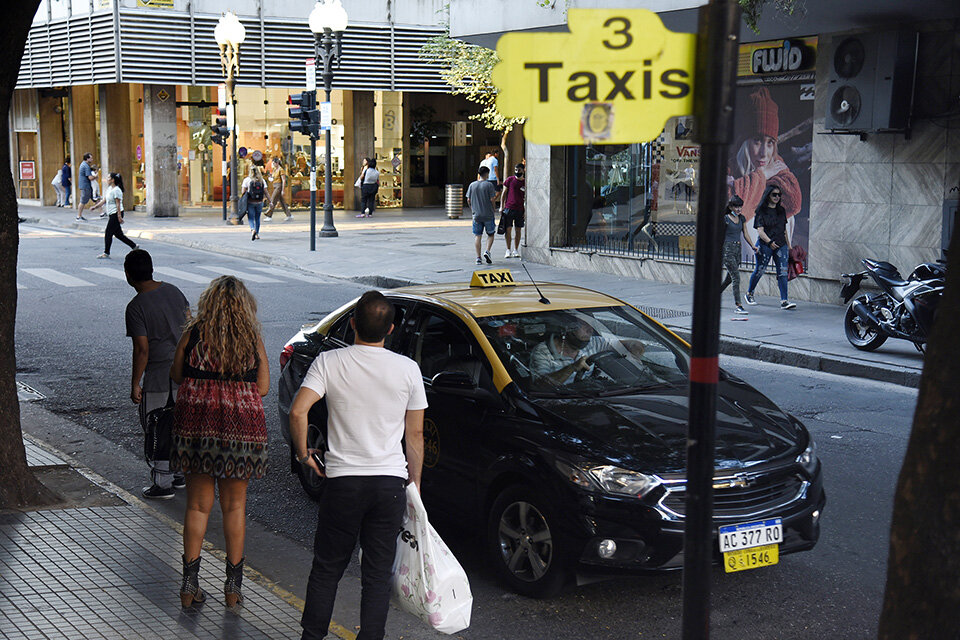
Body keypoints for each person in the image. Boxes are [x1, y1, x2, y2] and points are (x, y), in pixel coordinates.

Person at [290, 291, 426, 640]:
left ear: (352, 324)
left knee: (327, 568)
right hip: (388, 486)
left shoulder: (329, 362)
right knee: (377, 575)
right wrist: (415, 485)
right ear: (391, 329)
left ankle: (312, 636)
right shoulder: (408, 370)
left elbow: (298, 410)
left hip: (343, 483)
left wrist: (305, 454)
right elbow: (415, 435)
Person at [170, 275, 270, 609]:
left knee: (197, 505)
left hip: (196, 425)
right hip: (240, 428)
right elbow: (265, 387)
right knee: (234, 506)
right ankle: (232, 588)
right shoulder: (250, 337)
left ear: (208, 302)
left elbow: (177, 375)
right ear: (245, 305)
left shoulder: (194, 332)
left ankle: (188, 585)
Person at [123, 249, 190, 500]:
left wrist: (135, 384)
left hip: (159, 375)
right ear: (151, 269)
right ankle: (181, 473)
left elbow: (142, 349)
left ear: (128, 275)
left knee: (158, 426)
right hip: (185, 371)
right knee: (181, 423)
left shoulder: (136, 307)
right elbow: (190, 325)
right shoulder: (173, 290)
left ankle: (163, 483)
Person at [728, 87, 802, 252]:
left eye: (770, 143)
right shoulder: (729, 170)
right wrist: (762, 175)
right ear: (745, 143)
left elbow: (794, 203)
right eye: (757, 140)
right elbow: (739, 212)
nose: (764, 153)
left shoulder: (777, 168)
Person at [530, 314, 644, 386]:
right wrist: (572, 368)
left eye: (591, 326)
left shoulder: (594, 342)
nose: (590, 330)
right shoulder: (543, 352)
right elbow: (541, 385)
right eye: (584, 325)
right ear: (568, 328)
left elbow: (629, 345)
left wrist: (634, 349)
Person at [745, 185, 797, 310]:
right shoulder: (761, 211)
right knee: (760, 269)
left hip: (781, 244)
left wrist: (789, 246)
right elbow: (760, 231)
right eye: (774, 194)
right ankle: (749, 293)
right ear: (768, 195)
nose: (777, 197)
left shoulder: (781, 211)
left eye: (779, 195)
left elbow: (784, 230)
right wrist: (769, 242)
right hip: (765, 244)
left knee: (783, 272)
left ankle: (784, 300)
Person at [719, 195, 758, 315]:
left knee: (729, 278)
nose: (738, 209)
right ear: (730, 207)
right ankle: (738, 305)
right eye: (736, 206)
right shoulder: (725, 218)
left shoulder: (742, 219)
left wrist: (752, 245)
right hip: (727, 249)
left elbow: (745, 233)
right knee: (736, 277)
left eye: (740, 206)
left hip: (737, 249)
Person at [91, 172, 137, 259]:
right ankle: (134, 246)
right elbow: (104, 200)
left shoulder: (117, 190)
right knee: (118, 234)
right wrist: (95, 207)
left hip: (116, 213)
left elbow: (118, 204)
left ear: (113, 180)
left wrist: (119, 216)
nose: (107, 179)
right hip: (112, 213)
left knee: (108, 232)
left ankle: (106, 252)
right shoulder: (109, 189)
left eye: (108, 178)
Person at [467, 165, 498, 265]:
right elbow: (492, 199)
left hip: (476, 215)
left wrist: (472, 209)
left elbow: (468, 199)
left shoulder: (472, 185)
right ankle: (487, 251)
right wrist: (493, 208)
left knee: (477, 235)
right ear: (487, 174)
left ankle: (478, 257)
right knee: (491, 234)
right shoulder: (489, 185)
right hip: (488, 214)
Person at [499, 162, 526, 259]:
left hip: (520, 209)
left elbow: (527, 197)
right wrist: (502, 206)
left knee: (518, 230)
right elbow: (504, 193)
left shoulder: (525, 182)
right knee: (508, 229)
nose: (517, 172)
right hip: (509, 208)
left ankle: (516, 249)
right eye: (516, 170)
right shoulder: (510, 180)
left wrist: (526, 211)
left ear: (523, 170)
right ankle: (508, 249)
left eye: (519, 170)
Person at [264, 156, 293, 221]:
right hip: (275, 185)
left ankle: (269, 214)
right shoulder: (274, 169)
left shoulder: (281, 170)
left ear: (277, 163)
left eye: (274, 163)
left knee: (273, 199)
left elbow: (283, 180)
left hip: (279, 186)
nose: (273, 165)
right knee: (282, 202)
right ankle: (289, 215)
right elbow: (274, 177)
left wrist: (283, 190)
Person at [242, 166, 267, 241]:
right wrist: (270, 201)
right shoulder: (262, 180)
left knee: (250, 217)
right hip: (259, 202)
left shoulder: (247, 180)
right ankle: (257, 234)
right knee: (257, 218)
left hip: (250, 202)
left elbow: (243, 192)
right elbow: (266, 192)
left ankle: (253, 229)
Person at [76, 152, 96, 221]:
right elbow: (90, 177)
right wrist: (96, 176)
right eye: (91, 158)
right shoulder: (86, 166)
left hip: (85, 185)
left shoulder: (83, 164)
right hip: (85, 186)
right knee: (83, 201)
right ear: (87, 159)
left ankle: (102, 213)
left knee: (95, 198)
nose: (92, 159)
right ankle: (78, 216)